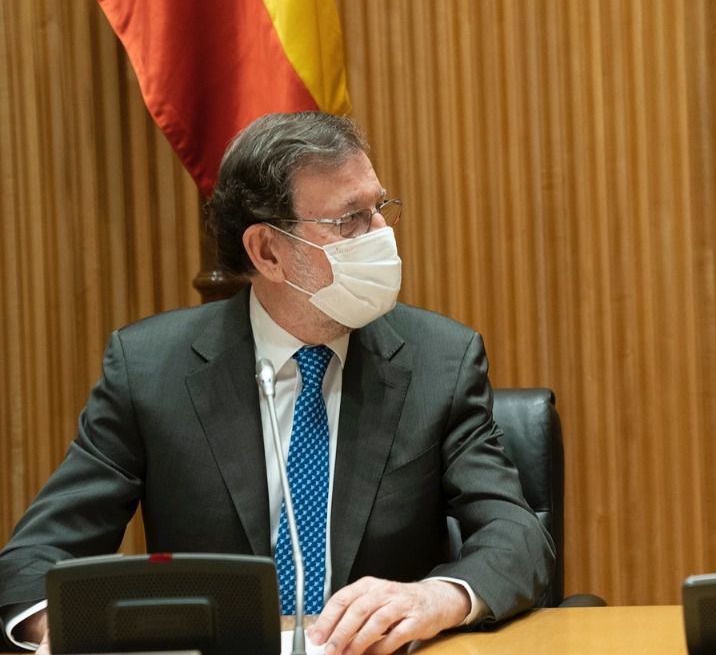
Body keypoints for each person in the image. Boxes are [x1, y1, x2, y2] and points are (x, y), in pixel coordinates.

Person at [0, 112, 553, 654]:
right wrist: (62, 628)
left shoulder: (441, 361)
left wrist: (438, 597)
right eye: (350, 220)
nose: (382, 235)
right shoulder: (150, 370)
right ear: (267, 251)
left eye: (380, 208)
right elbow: (33, 558)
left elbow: (518, 535)